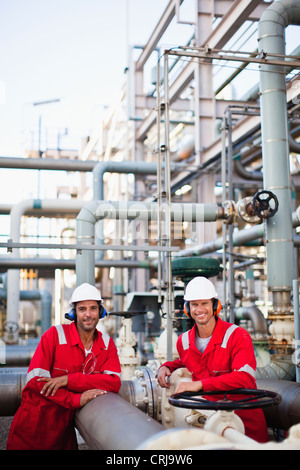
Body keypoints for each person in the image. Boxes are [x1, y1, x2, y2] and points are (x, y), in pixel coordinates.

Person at [6, 282, 121, 450]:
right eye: (82, 309)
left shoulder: (107, 344)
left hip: (64, 433)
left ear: (101, 311)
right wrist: (76, 399)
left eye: (93, 308)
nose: (88, 314)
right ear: (74, 313)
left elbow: (114, 382)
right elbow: (37, 381)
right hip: (33, 429)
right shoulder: (54, 336)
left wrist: (69, 380)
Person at [157, 276, 269, 443]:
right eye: (194, 304)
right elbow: (188, 362)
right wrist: (166, 366)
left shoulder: (237, 336)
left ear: (215, 306)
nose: (199, 309)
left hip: (245, 426)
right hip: (209, 423)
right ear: (188, 309)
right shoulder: (184, 341)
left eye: (204, 303)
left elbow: (245, 378)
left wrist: (199, 385)